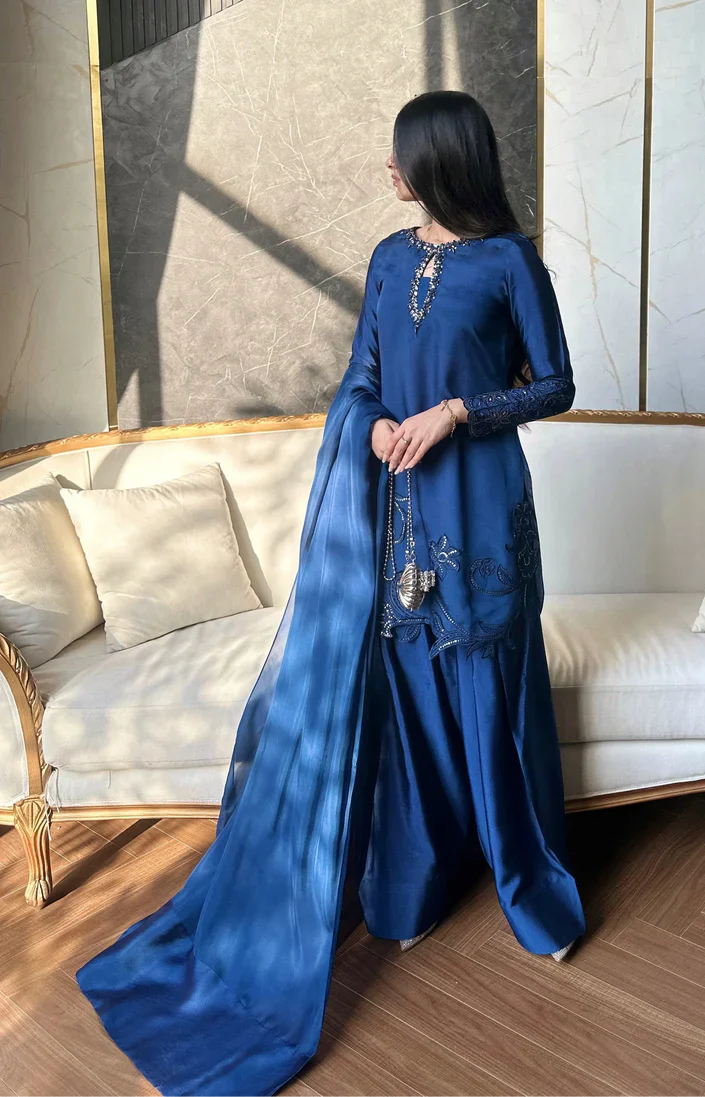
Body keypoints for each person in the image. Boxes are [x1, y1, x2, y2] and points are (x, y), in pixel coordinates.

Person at [75, 89, 586, 1097]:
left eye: (400, 158)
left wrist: (453, 411)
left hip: (481, 512)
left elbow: (556, 383)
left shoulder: (509, 263)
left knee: (489, 702)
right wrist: (376, 420)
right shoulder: (390, 259)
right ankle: (417, 883)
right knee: (413, 706)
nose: (388, 172)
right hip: (398, 513)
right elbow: (360, 376)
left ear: (441, 163)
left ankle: (529, 886)